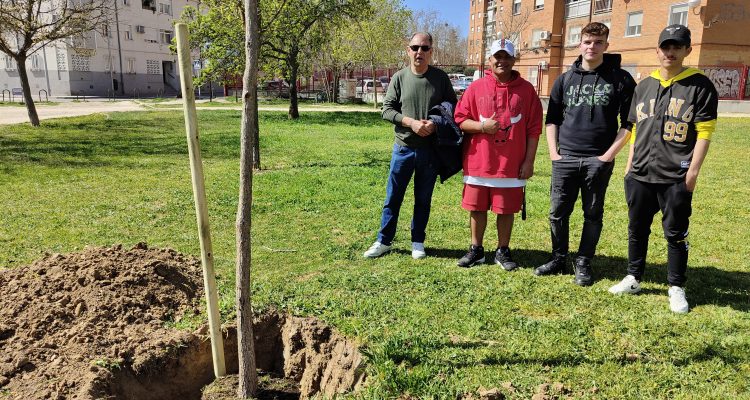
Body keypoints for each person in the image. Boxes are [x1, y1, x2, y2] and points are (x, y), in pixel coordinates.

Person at [608, 24, 718, 313]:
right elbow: (633, 127)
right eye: (666, 47)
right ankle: (633, 277)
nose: (670, 52)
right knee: (637, 228)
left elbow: (705, 132)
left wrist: (692, 173)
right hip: (641, 173)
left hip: (675, 175)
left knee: (675, 232)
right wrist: (629, 166)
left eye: (677, 47)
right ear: (657, 50)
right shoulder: (644, 85)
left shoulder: (700, 85)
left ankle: (676, 286)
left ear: (687, 50)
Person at [534, 22, 636, 286]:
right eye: (588, 42)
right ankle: (558, 258)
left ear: (606, 45)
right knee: (557, 212)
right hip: (565, 157)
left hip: (597, 160)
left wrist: (608, 155)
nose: (592, 47)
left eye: (598, 42)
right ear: (579, 44)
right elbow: (552, 119)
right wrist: (554, 153)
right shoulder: (564, 80)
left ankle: (583, 261)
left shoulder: (621, 79)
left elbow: (628, 123)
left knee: (592, 214)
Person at [363, 32, 457, 260]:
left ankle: (417, 242)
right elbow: (386, 110)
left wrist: (435, 124)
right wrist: (411, 122)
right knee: (393, 197)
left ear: (431, 51)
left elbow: (453, 108)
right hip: (403, 148)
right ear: (408, 50)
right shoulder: (399, 78)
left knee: (423, 199)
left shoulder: (441, 79)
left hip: (430, 151)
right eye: (415, 47)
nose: (419, 52)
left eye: (425, 48)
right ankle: (384, 241)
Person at [453, 38, 542, 269]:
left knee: (506, 209)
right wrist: (481, 127)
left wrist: (529, 160)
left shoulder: (527, 91)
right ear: (489, 60)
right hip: (479, 161)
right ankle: (476, 250)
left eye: (506, 56)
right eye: (497, 56)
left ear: (514, 59)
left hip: (511, 163)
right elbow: (460, 119)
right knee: (476, 207)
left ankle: (503, 250)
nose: (502, 60)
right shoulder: (475, 88)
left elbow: (534, 128)